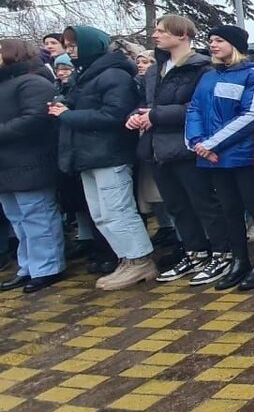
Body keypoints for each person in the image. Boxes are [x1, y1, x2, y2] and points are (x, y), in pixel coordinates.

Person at [51, 25, 158, 290]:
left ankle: (139, 260)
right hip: (89, 155)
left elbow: (114, 115)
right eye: (68, 45)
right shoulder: (87, 75)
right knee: (100, 214)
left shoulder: (113, 75)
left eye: (74, 44)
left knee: (117, 211)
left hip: (109, 154)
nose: (70, 50)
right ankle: (126, 258)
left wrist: (67, 115)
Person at [126, 15, 226, 285]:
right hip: (158, 148)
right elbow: (146, 103)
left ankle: (222, 254)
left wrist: (155, 115)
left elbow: (201, 108)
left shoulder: (201, 68)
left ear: (182, 34)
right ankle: (195, 254)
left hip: (188, 146)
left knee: (204, 203)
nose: (155, 35)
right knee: (177, 206)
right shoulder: (155, 68)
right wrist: (136, 115)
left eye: (162, 31)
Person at [185, 24, 254, 291]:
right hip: (211, 157)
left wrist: (212, 143)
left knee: (253, 206)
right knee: (229, 209)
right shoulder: (208, 76)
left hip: (242, 156)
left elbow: (251, 116)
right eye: (211, 40)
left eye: (219, 40)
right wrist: (196, 142)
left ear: (234, 45)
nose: (212, 45)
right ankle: (239, 261)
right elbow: (195, 108)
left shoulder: (253, 74)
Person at [0, 39, 66, 293]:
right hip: (7, 165)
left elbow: (35, 119)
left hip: (30, 161)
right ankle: (27, 267)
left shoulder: (33, 82)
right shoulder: (6, 84)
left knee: (37, 216)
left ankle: (47, 267)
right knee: (17, 219)